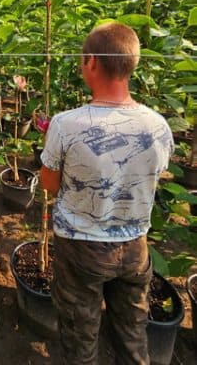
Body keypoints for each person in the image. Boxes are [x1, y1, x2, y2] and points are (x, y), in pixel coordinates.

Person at [40, 22, 174, 365]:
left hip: (81, 247)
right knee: (133, 337)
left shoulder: (66, 124)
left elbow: (49, 184)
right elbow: (155, 175)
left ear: (93, 63)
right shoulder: (158, 125)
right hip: (135, 247)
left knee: (80, 338)